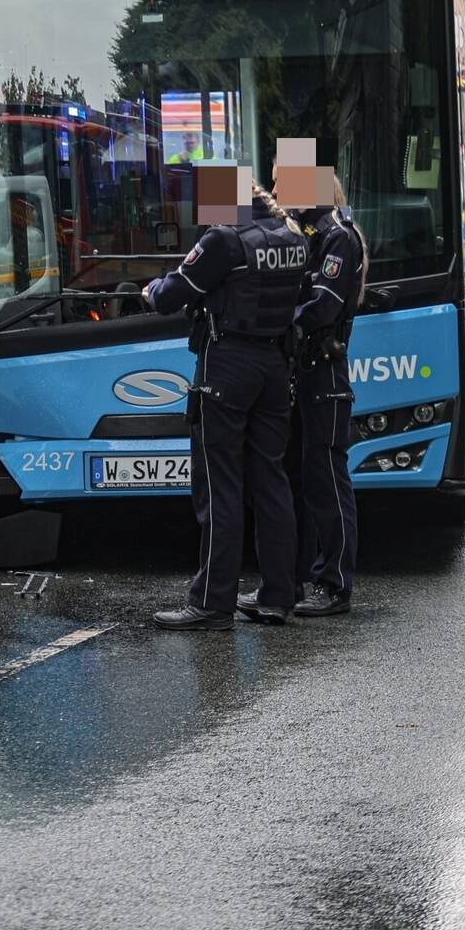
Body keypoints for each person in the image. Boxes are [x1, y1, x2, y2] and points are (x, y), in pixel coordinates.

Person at [144, 175, 306, 630]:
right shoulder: (291, 235)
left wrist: (150, 290)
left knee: (220, 486)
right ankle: (278, 595)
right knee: (271, 480)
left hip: (228, 365)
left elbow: (171, 295)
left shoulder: (224, 239)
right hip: (275, 364)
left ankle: (212, 604)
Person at [277, 180, 367, 617]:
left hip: (325, 373)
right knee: (298, 482)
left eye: (285, 178)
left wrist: (272, 320)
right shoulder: (308, 232)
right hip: (302, 373)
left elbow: (322, 308)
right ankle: (291, 583)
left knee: (328, 482)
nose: (278, 188)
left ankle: (335, 586)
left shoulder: (337, 236)